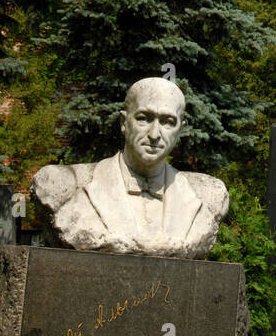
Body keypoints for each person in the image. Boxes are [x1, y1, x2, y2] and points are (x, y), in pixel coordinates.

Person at [31, 78, 228, 257]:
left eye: (168, 122)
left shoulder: (205, 196)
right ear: (124, 122)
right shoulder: (66, 187)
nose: (154, 134)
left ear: (180, 130)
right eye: (144, 118)